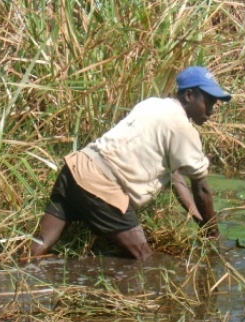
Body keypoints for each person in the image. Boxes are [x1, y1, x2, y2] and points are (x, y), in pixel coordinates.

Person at [31, 66, 232, 260]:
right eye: (208, 102)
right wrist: (213, 233)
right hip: (103, 187)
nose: (211, 111)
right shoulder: (182, 128)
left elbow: (175, 177)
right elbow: (202, 189)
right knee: (147, 261)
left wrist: (200, 222)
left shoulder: (152, 104)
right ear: (189, 96)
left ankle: (24, 274)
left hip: (77, 168)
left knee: (41, 242)